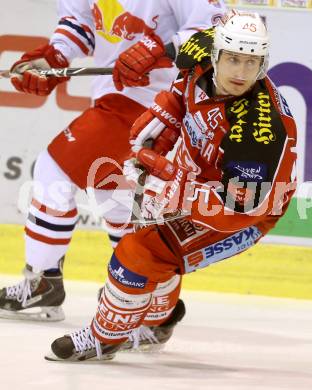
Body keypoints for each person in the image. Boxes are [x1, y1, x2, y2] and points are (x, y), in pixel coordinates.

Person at [44, 9, 298, 362]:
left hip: (246, 209)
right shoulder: (198, 47)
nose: (241, 73)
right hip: (204, 173)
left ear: (263, 63)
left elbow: (238, 208)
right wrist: (167, 109)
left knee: (138, 253)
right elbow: (182, 84)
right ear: (215, 53)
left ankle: (103, 338)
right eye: (234, 60)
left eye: (252, 63)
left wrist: (172, 185)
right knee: (153, 241)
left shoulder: (258, 130)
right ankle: (159, 322)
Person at [0, 0, 226, 337]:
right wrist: (56, 56)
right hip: (116, 96)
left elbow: (216, 30)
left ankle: (41, 285)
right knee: (115, 196)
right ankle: (143, 303)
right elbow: (82, 23)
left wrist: (159, 49)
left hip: (160, 100)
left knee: (54, 171)